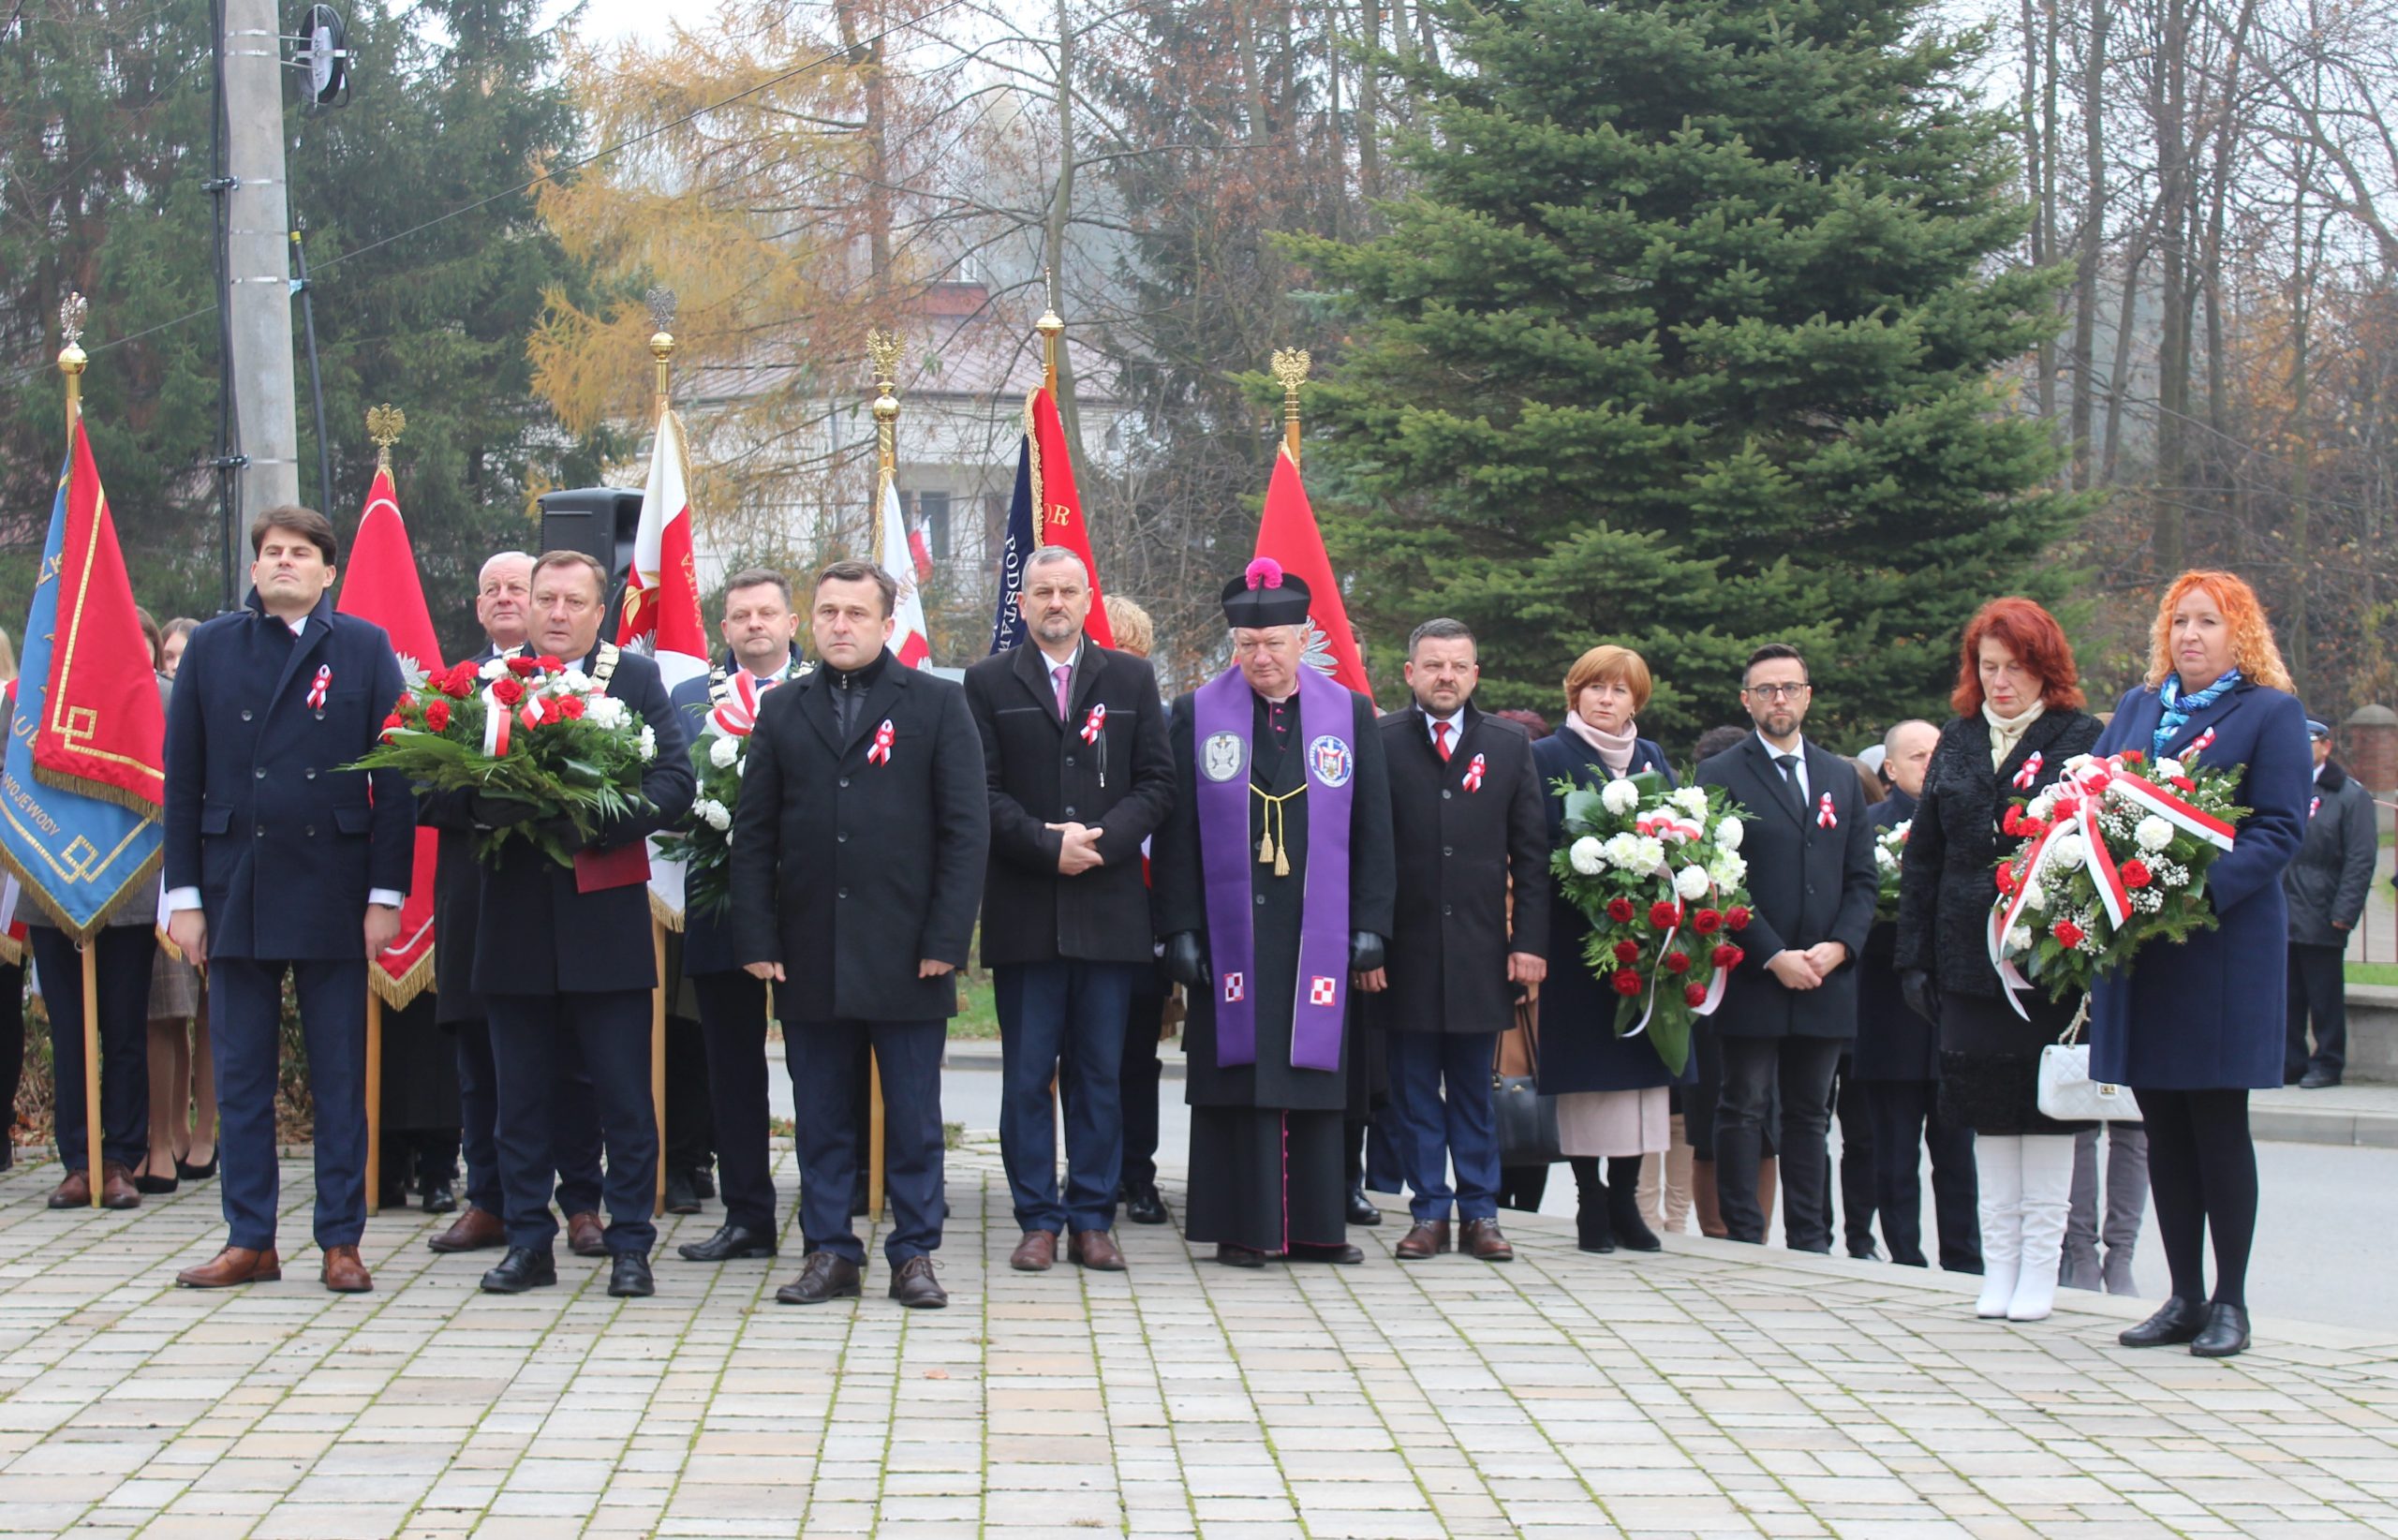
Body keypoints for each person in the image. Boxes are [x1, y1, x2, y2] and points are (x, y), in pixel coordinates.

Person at [164, 506, 413, 1294]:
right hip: (237, 881)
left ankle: (341, 1240)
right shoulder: (212, 646)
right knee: (240, 1074)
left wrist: (385, 893)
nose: (282, 564)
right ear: (255, 567)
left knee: (340, 1075)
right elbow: (183, 780)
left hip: (335, 886)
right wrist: (185, 895)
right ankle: (250, 1239)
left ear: (327, 570)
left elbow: (395, 778)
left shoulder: (364, 647)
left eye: (299, 554)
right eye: (271, 552)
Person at [732, 560, 989, 1310]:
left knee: (912, 1118)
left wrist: (948, 937)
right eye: (828, 613)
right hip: (810, 948)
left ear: (885, 623)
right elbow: (755, 834)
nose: (840, 625)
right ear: (808, 623)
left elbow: (965, 832)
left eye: (855, 613)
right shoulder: (783, 711)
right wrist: (758, 935)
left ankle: (914, 1255)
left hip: (911, 951)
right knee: (820, 1116)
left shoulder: (938, 704)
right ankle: (830, 1252)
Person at [461, 551, 692, 1300]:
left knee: (622, 1094)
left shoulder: (632, 678)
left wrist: (592, 817)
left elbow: (675, 782)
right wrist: (503, 805)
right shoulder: (485, 687)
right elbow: (436, 793)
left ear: (601, 612)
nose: (557, 614)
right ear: (525, 606)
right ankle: (529, 1241)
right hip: (514, 922)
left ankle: (630, 1243)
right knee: (519, 1096)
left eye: (574, 602)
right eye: (545, 599)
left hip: (604, 921)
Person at [1154, 559, 1395, 1267]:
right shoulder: (1197, 714)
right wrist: (1179, 928)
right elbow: (1174, 836)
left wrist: (1372, 923)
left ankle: (1319, 1228)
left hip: (1314, 927)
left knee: (1316, 1071)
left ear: (1301, 641)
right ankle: (1243, 1228)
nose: (1262, 657)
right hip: (1232, 932)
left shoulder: (1347, 713)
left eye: (1276, 643)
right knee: (1240, 1071)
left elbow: (1375, 827)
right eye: (1248, 645)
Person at [2096, 570, 2309, 1359]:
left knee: (2217, 1126)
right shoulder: (2137, 707)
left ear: (2239, 633)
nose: (2189, 635)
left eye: (2208, 622)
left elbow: (2281, 829)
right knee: (2162, 1127)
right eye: (2179, 621)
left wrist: (2187, 898)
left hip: (2219, 950)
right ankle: (2182, 1294)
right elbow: (2090, 803)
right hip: (2143, 955)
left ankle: (2231, 1301)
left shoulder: (2269, 713)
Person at [967, 548, 1174, 1273]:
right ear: (1022, 604)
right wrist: (1043, 845)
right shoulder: (987, 682)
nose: (1055, 602)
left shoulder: (1131, 678)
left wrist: (1107, 842)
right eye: (1042, 591)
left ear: (1090, 600)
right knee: (1027, 1078)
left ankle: (1092, 1217)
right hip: (1027, 907)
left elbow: (1157, 782)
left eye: (1068, 591)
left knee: (1098, 1074)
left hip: (1109, 905)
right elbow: (979, 791)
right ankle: (1037, 1219)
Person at [1894, 600, 2102, 1321]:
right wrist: (1914, 958)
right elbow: (1925, 857)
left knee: (2042, 1114)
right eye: (1988, 668)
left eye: (2014, 668)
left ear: (2044, 666)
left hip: (2043, 962)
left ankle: (2040, 1270)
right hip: (1965, 962)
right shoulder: (1956, 738)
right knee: (1984, 1112)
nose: (2001, 683)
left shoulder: (2080, 736)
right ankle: (2000, 1266)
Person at [422, 552, 606, 1261]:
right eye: (498, 590)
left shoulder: (606, 684)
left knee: (575, 1062)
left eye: (520, 587)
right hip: (482, 896)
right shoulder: (464, 689)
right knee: (482, 1056)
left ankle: (583, 1202)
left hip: (573, 898)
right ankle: (490, 1200)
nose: (520, 602)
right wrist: (490, 799)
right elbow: (427, 791)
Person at [1373, 620, 1547, 1263]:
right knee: (1415, 1093)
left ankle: (1481, 1212)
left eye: (1459, 666)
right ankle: (1428, 1213)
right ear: (1410, 673)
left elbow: (1531, 855)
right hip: (1405, 955)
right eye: (1434, 665)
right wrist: (1371, 945)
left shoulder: (1506, 744)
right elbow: (1365, 850)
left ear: (1475, 674)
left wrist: (1527, 941)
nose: (1446, 676)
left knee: (1475, 1091)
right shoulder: (1381, 739)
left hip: (1481, 952)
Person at [1696, 644, 1875, 1252]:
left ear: (1807, 695)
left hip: (1826, 976)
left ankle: (1811, 1239)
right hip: (1755, 972)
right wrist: (1773, 954)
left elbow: (1862, 878)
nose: (1780, 699)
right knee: (1744, 1105)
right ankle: (1743, 1233)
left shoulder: (1838, 776)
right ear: (1747, 700)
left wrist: (1841, 947)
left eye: (1790, 688)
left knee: (1810, 1115)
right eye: (1766, 689)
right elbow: (1719, 878)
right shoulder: (1719, 775)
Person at [671, 568, 811, 1264]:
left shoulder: (823, 689)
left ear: (793, 623)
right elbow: (670, 787)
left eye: (767, 614)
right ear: (723, 630)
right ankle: (747, 1214)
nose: (754, 625)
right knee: (729, 1063)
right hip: (720, 900)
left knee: (818, 1061)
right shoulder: (689, 698)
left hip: (812, 905)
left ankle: (826, 1210)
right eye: (739, 616)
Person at [1531, 644, 1686, 1254]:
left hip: (1644, 944)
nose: (1606, 699)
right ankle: (1589, 1198)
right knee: (1588, 1079)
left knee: (1639, 1078)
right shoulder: (1546, 756)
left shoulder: (1650, 758)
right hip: (1579, 946)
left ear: (1636, 700)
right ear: (1576, 693)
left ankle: (1625, 1199)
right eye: (1595, 687)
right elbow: (1534, 844)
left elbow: (1678, 832)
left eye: (1619, 690)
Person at [1857, 719, 1979, 1274]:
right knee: (1895, 1152)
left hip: (1954, 1013)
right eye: (1917, 755)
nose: (1930, 764)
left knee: (1957, 1153)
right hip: (1889, 1011)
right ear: (1890, 768)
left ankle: (1965, 1258)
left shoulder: (1969, 819)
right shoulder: (1869, 828)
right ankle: (1904, 1255)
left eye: (1938, 753)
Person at [1098, 592, 1174, 1227]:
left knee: (1135, 1055)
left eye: (1132, 656)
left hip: (1145, 907)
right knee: (1087, 1053)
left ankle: (1138, 1174)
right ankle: (1092, 1170)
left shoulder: (1165, 721)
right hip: (1083, 901)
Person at [2285, 716, 2375, 1089]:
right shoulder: (2284, 786)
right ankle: (2290, 1062)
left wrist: (2344, 912)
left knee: (2324, 996)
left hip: (2323, 908)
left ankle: (2328, 1062)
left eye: (2309, 743)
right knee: (2288, 996)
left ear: (2325, 746)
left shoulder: (2350, 795)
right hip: (2285, 907)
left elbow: (2360, 858)